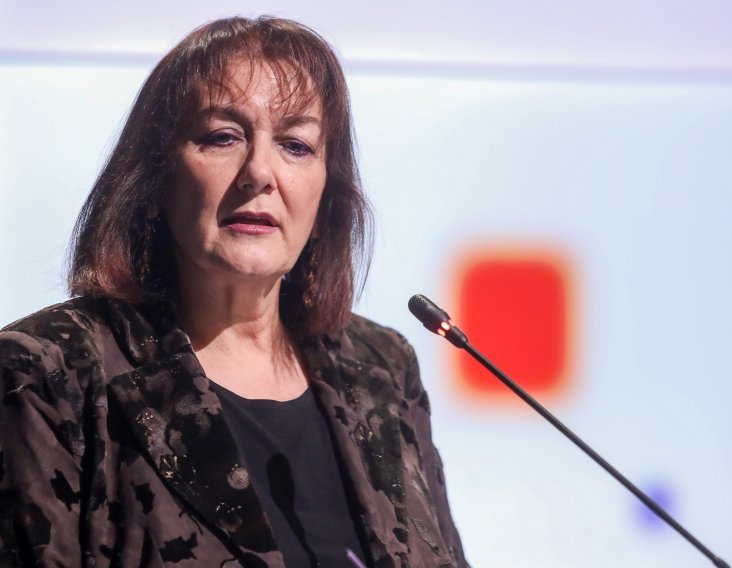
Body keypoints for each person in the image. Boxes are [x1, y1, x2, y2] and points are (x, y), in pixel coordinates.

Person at [0, 16, 467, 567]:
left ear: (326, 197)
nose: (259, 173)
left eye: (296, 145)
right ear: (154, 179)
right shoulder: (47, 372)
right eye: (223, 137)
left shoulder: (381, 368)